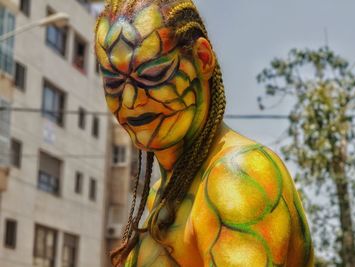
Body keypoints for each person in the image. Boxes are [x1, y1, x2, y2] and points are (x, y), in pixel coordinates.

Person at [95, 0, 314, 266]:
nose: (130, 100)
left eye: (153, 74)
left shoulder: (237, 176)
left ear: (203, 59)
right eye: (114, 83)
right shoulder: (163, 193)